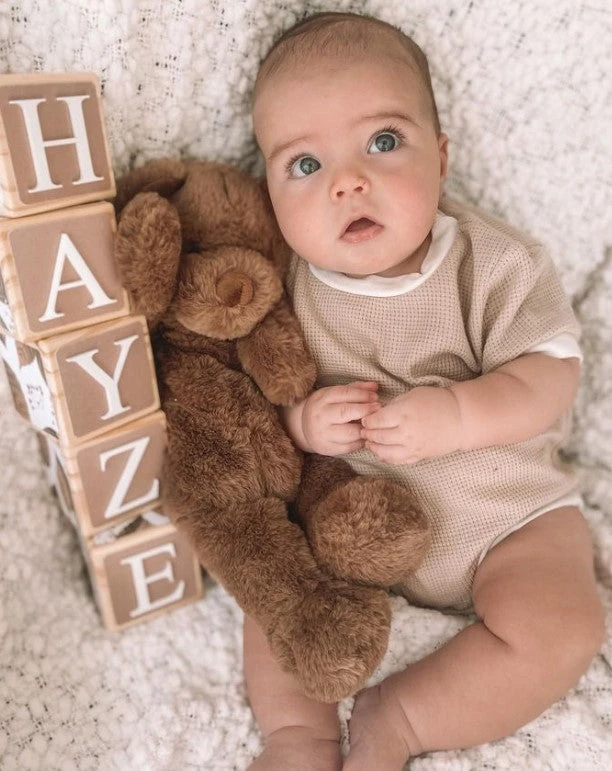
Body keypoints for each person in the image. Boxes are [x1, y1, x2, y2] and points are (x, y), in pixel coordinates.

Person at [245, 11, 605, 771]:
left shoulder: (492, 264)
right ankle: (298, 735)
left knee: (565, 627)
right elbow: (258, 406)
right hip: (349, 519)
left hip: (506, 514)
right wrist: (304, 423)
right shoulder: (284, 288)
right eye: (304, 164)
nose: (348, 181)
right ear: (269, 192)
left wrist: (461, 413)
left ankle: (402, 718)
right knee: (274, 584)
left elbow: (550, 376)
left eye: (383, 142)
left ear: (440, 158)